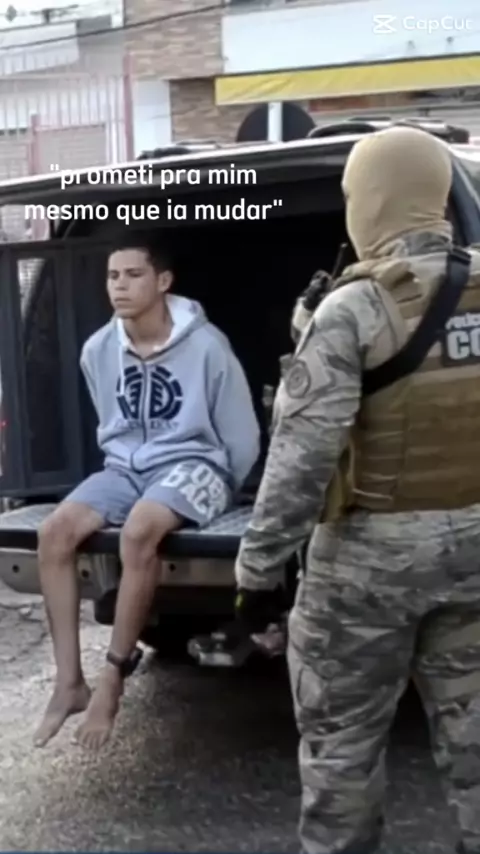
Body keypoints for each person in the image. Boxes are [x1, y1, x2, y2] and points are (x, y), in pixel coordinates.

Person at [233, 125, 480, 854]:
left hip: (367, 563)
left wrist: (256, 574)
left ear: (368, 199)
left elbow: (302, 459)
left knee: (342, 749)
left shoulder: (354, 309)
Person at [35, 231, 260, 750]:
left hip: (197, 464)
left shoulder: (207, 346)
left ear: (163, 281)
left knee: (139, 532)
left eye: (133, 274)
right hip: (126, 468)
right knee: (54, 533)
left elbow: (242, 435)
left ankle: (113, 678)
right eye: (112, 275)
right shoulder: (98, 349)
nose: (120, 285)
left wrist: (226, 484)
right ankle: (69, 682)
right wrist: (127, 469)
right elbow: (110, 420)